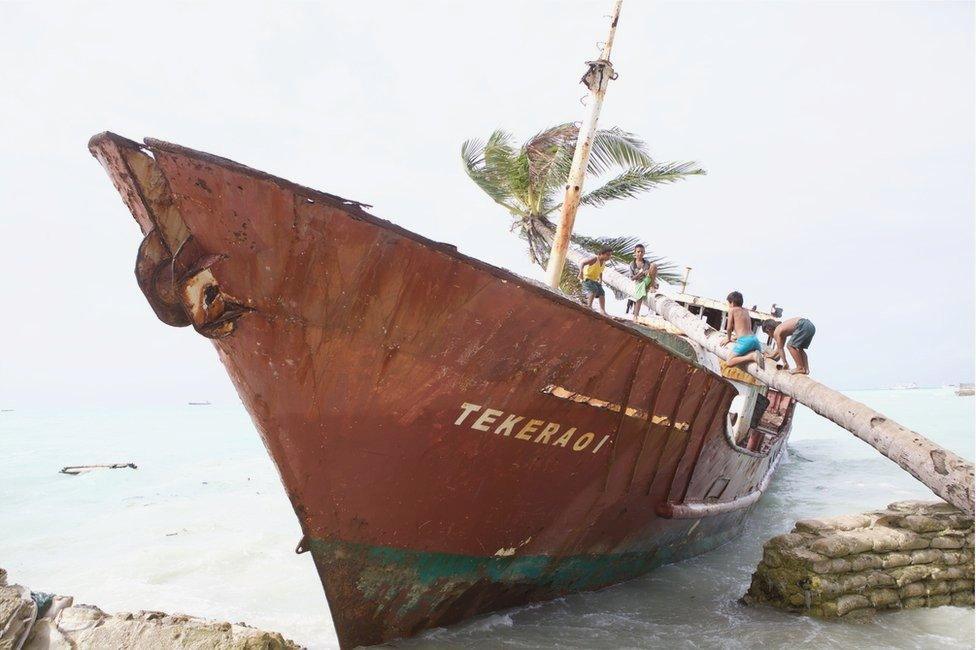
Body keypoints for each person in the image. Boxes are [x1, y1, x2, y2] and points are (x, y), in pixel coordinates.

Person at [723, 291, 764, 369]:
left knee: (729, 362)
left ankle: (751, 356)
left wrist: (728, 338)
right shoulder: (746, 310)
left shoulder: (732, 310)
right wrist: (736, 337)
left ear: (732, 303)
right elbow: (744, 327)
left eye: (728, 303)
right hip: (755, 340)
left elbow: (729, 328)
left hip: (745, 341)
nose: (728, 305)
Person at [578, 248, 613, 315]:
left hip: (594, 280)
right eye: (607, 255)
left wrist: (600, 279)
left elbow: (600, 271)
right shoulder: (594, 259)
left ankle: (603, 310)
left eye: (610, 256)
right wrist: (581, 272)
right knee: (594, 289)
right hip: (586, 278)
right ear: (600, 254)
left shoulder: (603, 263)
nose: (609, 257)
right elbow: (582, 263)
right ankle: (589, 305)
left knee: (602, 292)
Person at [629, 244, 658, 321]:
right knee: (639, 297)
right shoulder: (632, 264)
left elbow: (651, 272)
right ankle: (635, 315)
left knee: (654, 265)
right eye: (638, 252)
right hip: (639, 282)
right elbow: (632, 278)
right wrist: (640, 274)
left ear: (644, 253)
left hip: (648, 280)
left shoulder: (646, 263)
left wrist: (648, 273)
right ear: (635, 252)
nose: (640, 253)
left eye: (642, 252)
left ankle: (651, 286)